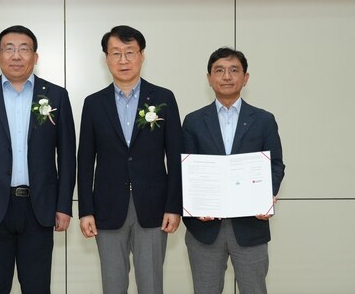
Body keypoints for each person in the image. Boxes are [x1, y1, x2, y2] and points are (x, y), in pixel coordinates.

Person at [0, 25, 76, 294]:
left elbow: (67, 156)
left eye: (24, 49)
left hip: (39, 208)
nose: (16, 55)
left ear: (35, 57)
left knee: (37, 287)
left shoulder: (56, 96)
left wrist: (63, 205)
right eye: (9, 49)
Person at [77, 25, 183, 294]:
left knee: (151, 286)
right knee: (113, 286)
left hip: (153, 207)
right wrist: (86, 210)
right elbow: (85, 160)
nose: (123, 60)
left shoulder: (163, 98)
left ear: (142, 55)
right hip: (107, 207)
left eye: (129, 52)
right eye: (116, 53)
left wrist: (174, 206)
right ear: (106, 58)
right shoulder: (94, 103)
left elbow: (175, 157)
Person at [182, 47, 285, 294]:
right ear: (209, 78)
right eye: (219, 70)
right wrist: (196, 206)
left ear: (245, 78)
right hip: (204, 230)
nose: (227, 76)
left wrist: (264, 197)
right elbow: (186, 169)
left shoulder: (264, 120)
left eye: (234, 70)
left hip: (251, 225)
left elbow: (275, 165)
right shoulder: (193, 121)